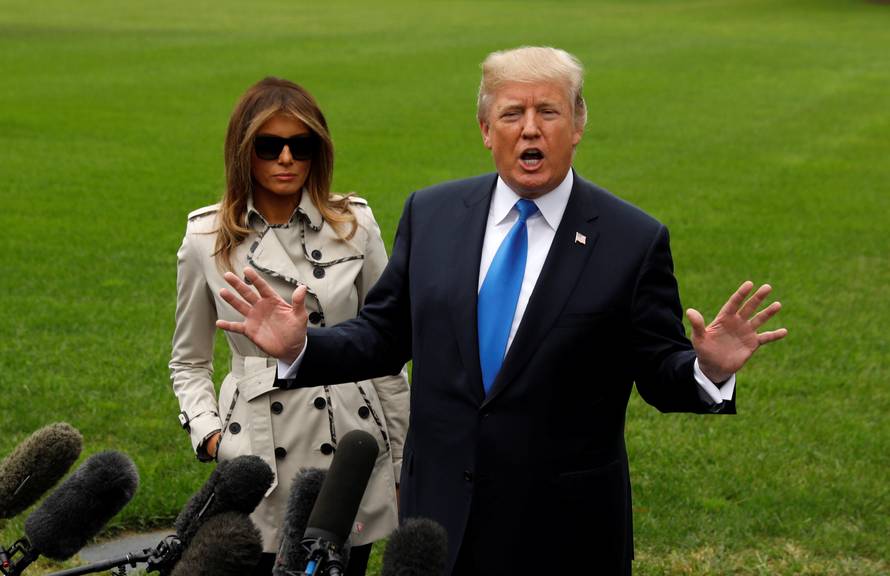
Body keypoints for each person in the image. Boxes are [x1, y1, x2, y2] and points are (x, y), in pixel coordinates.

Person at [216, 49, 787, 575]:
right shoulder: (433, 213)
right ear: (486, 131)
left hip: (564, 529)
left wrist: (707, 370)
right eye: (512, 113)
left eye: (549, 112)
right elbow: (384, 335)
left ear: (579, 125)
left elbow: (660, 371)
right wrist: (301, 347)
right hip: (438, 523)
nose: (531, 128)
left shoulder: (630, 240)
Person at [169, 77, 409, 576]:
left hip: (349, 442)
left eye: (300, 146)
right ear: (243, 152)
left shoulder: (355, 225)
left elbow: (386, 352)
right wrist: (214, 439)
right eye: (268, 145)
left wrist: (404, 460)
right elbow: (189, 361)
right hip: (257, 452)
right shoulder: (206, 238)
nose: (286, 158)